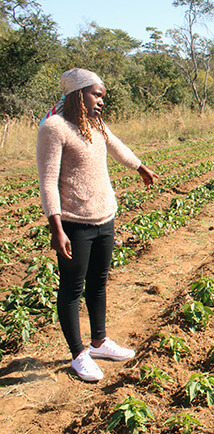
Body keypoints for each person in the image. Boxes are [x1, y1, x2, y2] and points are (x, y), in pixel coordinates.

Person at [36, 68, 158, 381]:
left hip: (105, 216)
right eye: (96, 94)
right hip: (75, 223)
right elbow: (48, 181)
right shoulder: (54, 127)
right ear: (78, 94)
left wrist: (141, 168)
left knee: (99, 282)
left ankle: (100, 341)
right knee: (72, 289)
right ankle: (78, 354)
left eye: (102, 95)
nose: (101, 100)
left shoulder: (95, 123)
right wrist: (56, 227)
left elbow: (116, 147)